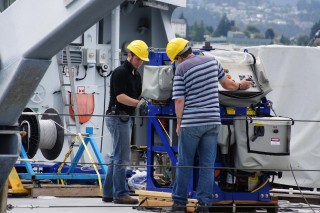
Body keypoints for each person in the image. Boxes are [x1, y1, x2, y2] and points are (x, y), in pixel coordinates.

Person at [165, 38, 251, 212]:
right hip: (212, 121)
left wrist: (179, 122)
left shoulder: (181, 68)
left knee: (185, 163)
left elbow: (179, 100)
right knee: (207, 165)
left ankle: (179, 204)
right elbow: (228, 85)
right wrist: (242, 85)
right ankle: (204, 205)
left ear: (178, 57)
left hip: (192, 123)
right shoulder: (213, 61)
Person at [102, 40, 149, 204]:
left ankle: (108, 193)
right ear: (130, 55)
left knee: (116, 156)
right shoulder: (121, 72)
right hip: (118, 117)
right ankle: (120, 194)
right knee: (122, 157)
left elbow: (137, 95)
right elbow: (120, 97)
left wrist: (142, 100)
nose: (140, 62)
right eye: (138, 59)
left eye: (142, 60)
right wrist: (139, 103)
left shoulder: (136, 75)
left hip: (124, 117)